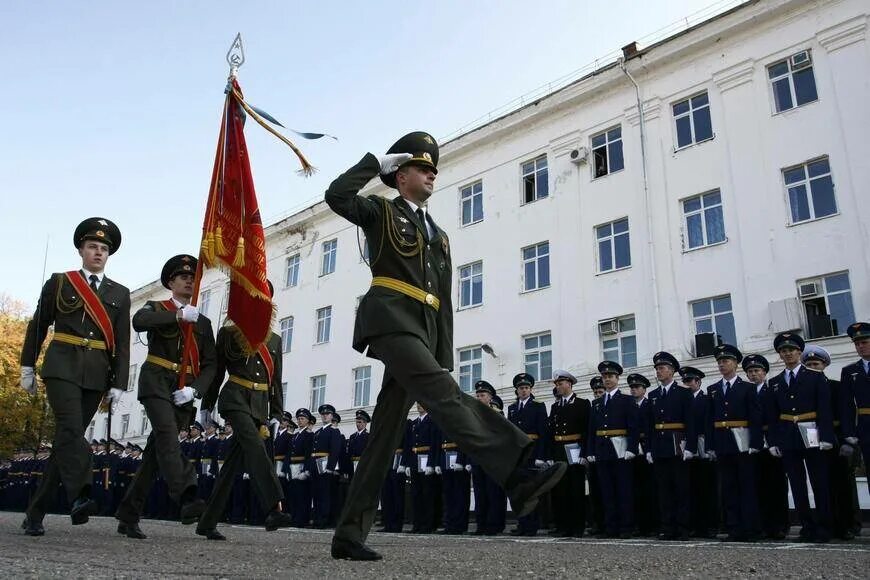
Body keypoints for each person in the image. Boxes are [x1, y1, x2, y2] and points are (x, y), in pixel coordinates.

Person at [324, 132, 565, 560]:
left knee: (383, 436)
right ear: (400, 177)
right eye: (422, 167)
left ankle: (349, 534)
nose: (432, 173)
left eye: (435, 168)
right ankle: (517, 470)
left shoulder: (440, 234)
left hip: (425, 330)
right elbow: (336, 196)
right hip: (391, 320)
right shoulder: (380, 210)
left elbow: (442, 297)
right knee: (443, 395)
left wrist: (442, 351)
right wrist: (373, 163)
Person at [20, 218, 131, 536]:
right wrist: (27, 364)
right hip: (62, 366)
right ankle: (81, 493)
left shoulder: (119, 293)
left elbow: (122, 342)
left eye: (104, 249)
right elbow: (38, 324)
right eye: (93, 247)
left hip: (96, 373)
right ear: (81, 250)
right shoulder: (60, 282)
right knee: (69, 428)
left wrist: (119, 382)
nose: (98, 252)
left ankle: (36, 513)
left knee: (65, 442)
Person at [115, 254, 216, 539]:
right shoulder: (158, 307)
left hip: (182, 390)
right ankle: (187, 495)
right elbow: (139, 321)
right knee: (168, 434)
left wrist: (195, 390)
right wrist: (177, 316)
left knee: (153, 457)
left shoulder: (204, 322)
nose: (188, 281)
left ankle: (128, 514)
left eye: (192, 277)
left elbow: (210, 363)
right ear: (171, 282)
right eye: (183, 277)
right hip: (156, 382)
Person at [195, 295, 293, 540]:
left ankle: (207, 522)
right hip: (235, 398)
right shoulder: (230, 333)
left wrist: (277, 412)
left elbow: (276, 380)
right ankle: (274, 506)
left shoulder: (275, 339)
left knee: (230, 468)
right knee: (255, 445)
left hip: (259, 405)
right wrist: (207, 404)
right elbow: (217, 372)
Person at [768, 332, 834, 542]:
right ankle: (806, 525)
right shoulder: (776, 382)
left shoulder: (815, 376)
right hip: (788, 435)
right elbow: (773, 415)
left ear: (799, 352)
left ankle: (824, 526)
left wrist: (826, 436)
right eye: (783, 351)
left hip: (812, 431)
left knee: (819, 481)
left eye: (791, 350)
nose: (788, 354)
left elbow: (824, 408)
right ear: (780, 355)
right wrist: (774, 441)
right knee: (796, 484)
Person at [802, 344, 860, 540]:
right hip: (813, 438)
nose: (812, 367)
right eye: (808, 364)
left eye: (815, 364)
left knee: (843, 483)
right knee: (821, 484)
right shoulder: (804, 388)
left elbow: (846, 413)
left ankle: (848, 524)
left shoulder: (835, 386)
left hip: (837, 437)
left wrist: (847, 439)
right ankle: (828, 523)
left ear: (824, 365)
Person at [647, 351, 696, 540]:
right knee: (664, 490)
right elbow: (650, 425)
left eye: (662, 368)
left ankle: (683, 527)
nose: (659, 371)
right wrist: (650, 448)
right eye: (657, 368)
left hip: (678, 446)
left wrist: (690, 446)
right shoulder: (653, 395)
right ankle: (667, 526)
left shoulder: (684, 393)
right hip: (660, 447)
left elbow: (690, 422)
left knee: (681, 489)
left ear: (672, 371)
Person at [587, 361, 638, 538]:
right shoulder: (598, 403)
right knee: (606, 491)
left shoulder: (627, 400)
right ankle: (610, 526)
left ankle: (625, 527)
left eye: (610, 376)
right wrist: (591, 451)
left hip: (621, 450)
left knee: (623, 490)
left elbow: (633, 427)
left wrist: (632, 447)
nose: (607, 379)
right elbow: (592, 430)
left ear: (617, 378)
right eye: (605, 376)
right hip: (602, 450)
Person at [743, 353, 789, 540]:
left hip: (772, 443)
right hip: (753, 444)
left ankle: (780, 526)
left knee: (776, 486)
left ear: (764, 372)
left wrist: (775, 441)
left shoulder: (772, 391)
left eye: (757, 371)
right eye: (750, 372)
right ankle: (761, 525)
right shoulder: (746, 393)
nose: (753, 375)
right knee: (757, 487)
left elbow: (778, 418)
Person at [548, 369, 590, 538]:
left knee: (576, 490)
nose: (558, 386)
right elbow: (551, 432)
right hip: (559, 450)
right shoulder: (555, 406)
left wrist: (585, 453)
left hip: (575, 449)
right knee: (560, 491)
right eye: (557, 384)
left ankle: (577, 526)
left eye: (560, 383)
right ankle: (562, 525)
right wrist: (550, 455)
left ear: (569, 384)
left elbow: (586, 430)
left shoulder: (582, 403)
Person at [507, 373, 548, 536]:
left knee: (531, 491)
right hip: (518, 455)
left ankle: (532, 525)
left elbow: (543, 432)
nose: (523, 391)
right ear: (516, 390)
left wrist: (541, 455)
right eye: (520, 388)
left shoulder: (538, 406)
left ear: (531, 389)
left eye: (526, 388)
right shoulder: (512, 408)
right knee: (519, 491)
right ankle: (522, 523)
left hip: (532, 453)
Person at [841, 323, 870, 499]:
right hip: (866, 429)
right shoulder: (850, 371)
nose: (860, 346)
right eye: (857, 344)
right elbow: (846, 405)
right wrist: (849, 431)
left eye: (864, 342)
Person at [628, 373, 658, 536]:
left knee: (650, 488)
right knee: (635, 489)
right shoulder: (629, 405)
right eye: (632, 387)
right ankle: (640, 524)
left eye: (637, 387)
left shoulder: (649, 404)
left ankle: (652, 524)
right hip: (633, 449)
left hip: (647, 447)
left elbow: (652, 427)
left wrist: (650, 449)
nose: (633, 390)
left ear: (644, 389)